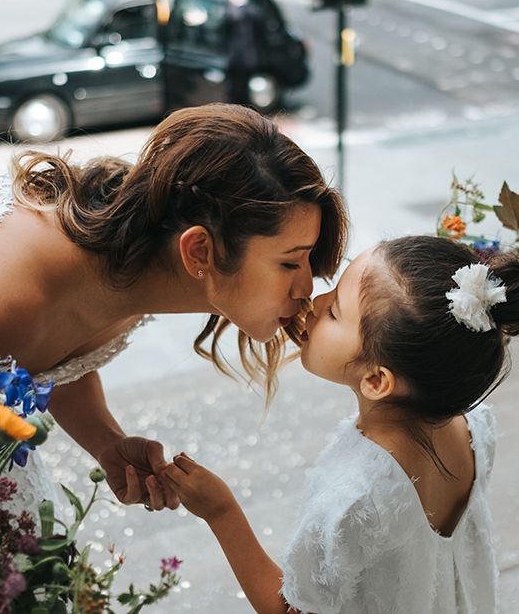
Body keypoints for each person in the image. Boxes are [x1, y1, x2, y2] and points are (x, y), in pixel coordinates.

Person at [0, 103, 348, 513]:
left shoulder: (141, 257)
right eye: (290, 262)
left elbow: (54, 347)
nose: (309, 287)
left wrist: (107, 443)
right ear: (199, 250)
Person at [165, 235, 519, 613]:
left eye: (334, 311)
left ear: (376, 381)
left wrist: (221, 512)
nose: (315, 301)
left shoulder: (352, 498)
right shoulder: (473, 430)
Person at [223, 0, 267, 107]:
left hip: (238, 60)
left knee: (237, 92)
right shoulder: (255, 11)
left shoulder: (232, 14)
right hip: (251, 58)